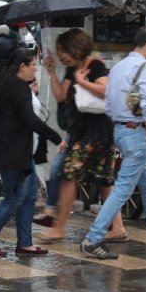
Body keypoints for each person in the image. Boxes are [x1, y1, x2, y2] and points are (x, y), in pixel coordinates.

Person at [80, 26, 146, 260]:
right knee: (123, 188)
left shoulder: (117, 68)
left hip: (120, 130)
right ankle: (93, 238)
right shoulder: (144, 67)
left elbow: (109, 102)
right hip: (136, 133)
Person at [35, 28, 128, 244]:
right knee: (104, 180)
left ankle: (59, 228)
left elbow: (106, 90)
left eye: (64, 51)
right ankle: (119, 228)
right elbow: (60, 96)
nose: (61, 56)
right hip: (83, 132)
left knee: (68, 175)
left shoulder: (94, 65)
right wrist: (51, 72)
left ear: (75, 47)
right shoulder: (71, 69)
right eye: (60, 52)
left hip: (96, 132)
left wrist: (82, 81)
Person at [0, 49, 67, 257]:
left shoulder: (14, 86)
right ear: (22, 67)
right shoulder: (16, 87)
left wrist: (31, 92)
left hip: (21, 153)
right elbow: (30, 119)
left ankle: (25, 243)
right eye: (33, 64)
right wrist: (56, 138)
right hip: (13, 154)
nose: (36, 67)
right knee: (13, 197)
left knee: (28, 197)